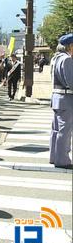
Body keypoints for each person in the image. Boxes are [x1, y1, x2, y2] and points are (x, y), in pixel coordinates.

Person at [49, 34, 73, 169]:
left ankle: (54, 156)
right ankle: (62, 159)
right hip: (66, 98)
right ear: (70, 46)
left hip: (57, 98)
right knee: (65, 130)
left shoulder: (55, 58)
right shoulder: (67, 60)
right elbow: (71, 81)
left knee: (56, 129)